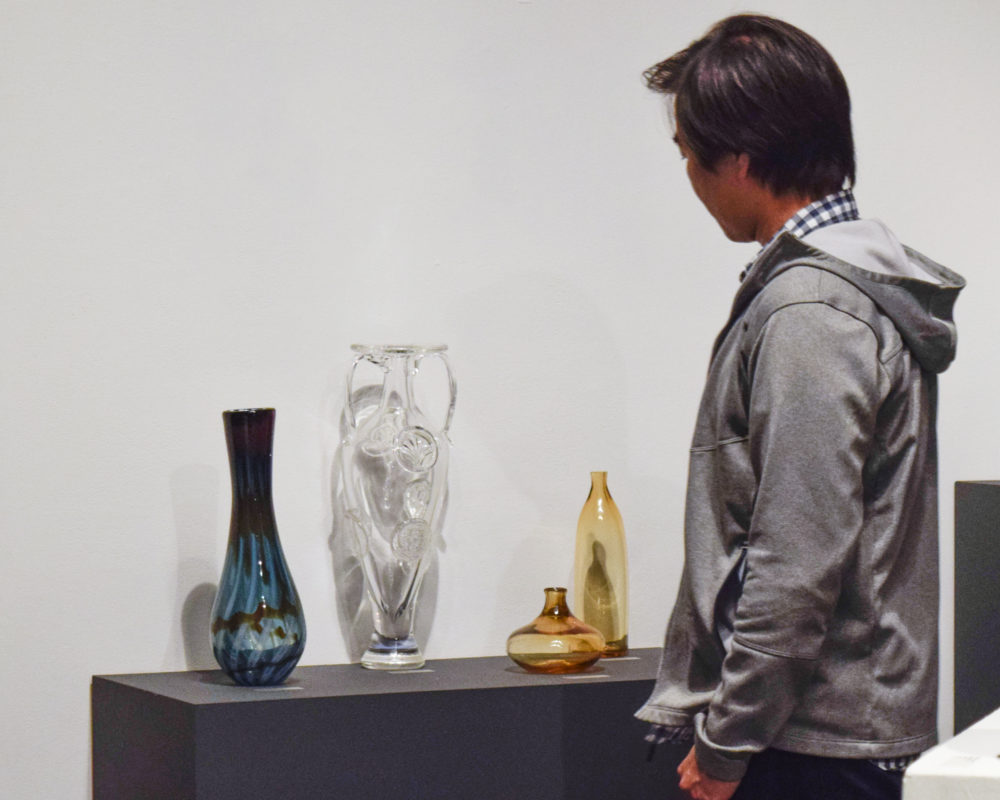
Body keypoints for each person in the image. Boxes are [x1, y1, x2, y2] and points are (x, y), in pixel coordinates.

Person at [634, 14, 965, 800]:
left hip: (814, 747)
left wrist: (725, 742)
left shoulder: (811, 310)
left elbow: (796, 558)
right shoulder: (844, 294)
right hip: (838, 735)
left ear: (740, 159)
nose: (688, 175)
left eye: (687, 153)